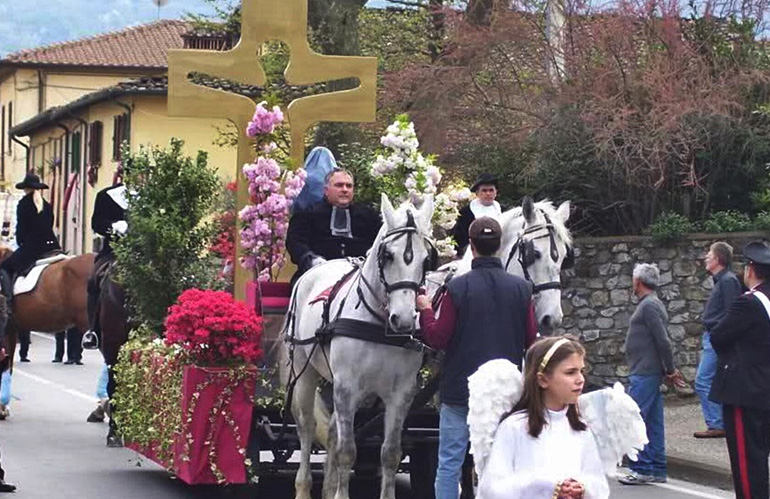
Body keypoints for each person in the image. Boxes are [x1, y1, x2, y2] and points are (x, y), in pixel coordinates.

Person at [416, 217, 537, 499]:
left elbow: (438, 338)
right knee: (500, 464)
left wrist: (424, 310)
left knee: (449, 464)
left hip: (461, 391)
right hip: (504, 394)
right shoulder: (522, 289)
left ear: (471, 244)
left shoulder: (458, 288)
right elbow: (532, 341)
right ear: (499, 246)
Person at [477, 336, 609, 499]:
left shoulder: (581, 428)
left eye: (581, 371)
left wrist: (582, 487)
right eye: (570, 372)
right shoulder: (515, 427)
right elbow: (491, 488)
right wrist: (542, 486)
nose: (580, 379)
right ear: (543, 379)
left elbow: (598, 482)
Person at [709, 241, 770, 499]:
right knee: (760, 455)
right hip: (764, 387)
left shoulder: (748, 302)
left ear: (751, 269)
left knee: (747, 463)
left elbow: (719, 336)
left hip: (744, 390)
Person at [618, 263, 686, 485]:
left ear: (638, 281)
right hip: (648, 371)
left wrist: (670, 368)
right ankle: (656, 467)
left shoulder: (649, 306)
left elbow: (663, 340)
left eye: (632, 279)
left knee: (637, 419)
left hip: (645, 372)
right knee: (653, 422)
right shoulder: (651, 304)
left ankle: (643, 468)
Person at [286, 168, 380, 283]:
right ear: (326, 190)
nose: (345, 190)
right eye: (339, 185)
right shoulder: (306, 214)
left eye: (349, 186)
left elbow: (379, 243)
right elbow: (295, 243)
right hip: (316, 275)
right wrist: (311, 260)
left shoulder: (369, 216)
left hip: (360, 276)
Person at [693, 242, 741, 439]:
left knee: (703, 380)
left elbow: (732, 313)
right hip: (713, 336)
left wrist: (718, 334)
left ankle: (717, 423)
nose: (706, 257)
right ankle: (719, 422)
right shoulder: (723, 281)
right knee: (710, 380)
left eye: (709, 254)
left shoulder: (728, 281)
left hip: (715, 337)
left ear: (718, 259)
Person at [0, 172, 61, 305]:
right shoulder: (47, 205)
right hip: (52, 245)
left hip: (32, 247)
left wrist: (21, 243)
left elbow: (21, 230)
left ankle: (8, 300)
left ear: (25, 188)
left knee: (4, 267)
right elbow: (48, 226)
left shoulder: (23, 204)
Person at [82, 180, 128, 350]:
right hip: (113, 251)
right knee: (94, 279)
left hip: (143, 251)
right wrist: (113, 227)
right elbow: (97, 223)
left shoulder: (149, 196)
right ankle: (93, 329)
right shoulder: (106, 196)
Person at [450, 173, 503, 256]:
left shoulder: (504, 210)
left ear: (496, 192)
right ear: (477, 193)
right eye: (484, 190)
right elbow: (459, 239)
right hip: (470, 256)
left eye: (491, 190)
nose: (488, 193)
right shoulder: (465, 213)